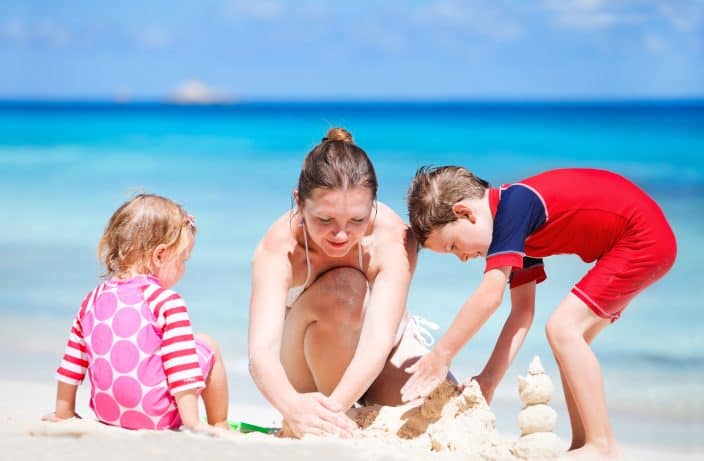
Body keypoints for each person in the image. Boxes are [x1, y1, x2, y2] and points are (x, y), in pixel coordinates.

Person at [401, 167, 676, 460]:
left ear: (466, 213)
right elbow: (522, 312)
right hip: (636, 240)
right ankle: (585, 442)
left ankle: (602, 445)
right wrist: (490, 380)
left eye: (454, 246)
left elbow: (490, 296)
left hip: (641, 238)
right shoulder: (518, 225)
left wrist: (442, 354)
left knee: (563, 329)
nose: (463, 258)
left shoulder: (513, 208)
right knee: (570, 339)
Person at [248, 128, 440, 439]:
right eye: (325, 220)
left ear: (372, 204)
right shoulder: (278, 248)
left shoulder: (393, 236)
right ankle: (340, 411)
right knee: (344, 290)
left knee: (439, 405)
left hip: (382, 349)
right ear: (299, 202)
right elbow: (261, 352)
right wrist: (293, 409)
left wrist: (334, 410)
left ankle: (348, 408)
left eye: (356, 220)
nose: (341, 235)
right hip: (305, 361)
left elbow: (379, 337)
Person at [44, 194, 230, 434]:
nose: (184, 269)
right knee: (207, 344)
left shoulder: (91, 300)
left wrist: (64, 413)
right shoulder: (166, 301)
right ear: (160, 255)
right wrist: (192, 422)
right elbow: (180, 365)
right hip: (157, 418)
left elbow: (73, 361)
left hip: (107, 413)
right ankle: (219, 423)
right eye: (183, 260)